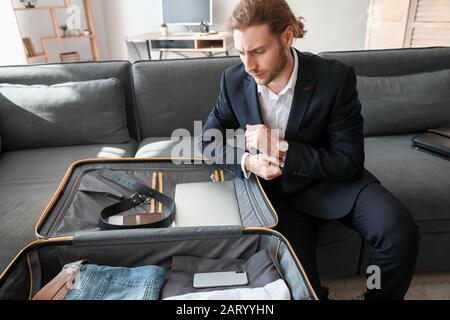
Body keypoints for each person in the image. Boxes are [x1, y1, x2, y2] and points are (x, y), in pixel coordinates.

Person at [201, 0, 419, 300]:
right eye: (241, 52)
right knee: (304, 293)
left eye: (258, 51)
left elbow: (349, 162)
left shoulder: (335, 78)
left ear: (287, 37)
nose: (248, 65)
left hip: (333, 181)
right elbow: (208, 141)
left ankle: (376, 296)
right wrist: (248, 162)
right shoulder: (233, 80)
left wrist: (281, 150)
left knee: (399, 232)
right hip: (275, 193)